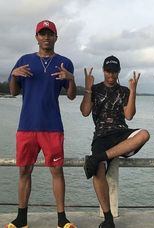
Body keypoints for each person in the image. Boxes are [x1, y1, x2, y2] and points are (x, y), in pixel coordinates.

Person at [5, 20, 77, 228]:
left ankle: (62, 219)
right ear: (36, 37)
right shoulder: (24, 60)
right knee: (24, 172)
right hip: (26, 126)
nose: (46, 37)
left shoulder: (65, 62)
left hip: (52, 126)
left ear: (56, 37)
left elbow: (72, 97)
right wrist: (13, 76)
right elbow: (13, 92)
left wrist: (71, 79)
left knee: (57, 171)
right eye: (42, 34)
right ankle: (21, 219)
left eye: (50, 34)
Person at [80, 55, 150, 228]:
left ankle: (99, 157)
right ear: (104, 71)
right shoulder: (94, 89)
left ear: (118, 72)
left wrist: (133, 90)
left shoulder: (124, 91)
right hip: (101, 136)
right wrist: (88, 88)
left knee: (144, 134)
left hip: (121, 133)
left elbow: (129, 115)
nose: (111, 75)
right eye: (108, 71)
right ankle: (108, 218)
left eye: (114, 72)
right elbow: (85, 111)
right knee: (98, 170)